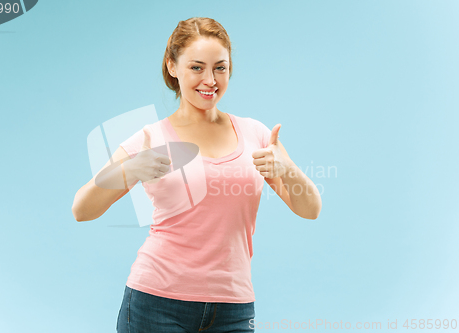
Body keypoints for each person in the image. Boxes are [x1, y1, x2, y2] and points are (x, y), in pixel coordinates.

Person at [72, 17, 322, 333]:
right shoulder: (151, 138)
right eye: (196, 67)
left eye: (220, 67)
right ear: (173, 67)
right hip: (155, 304)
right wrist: (130, 169)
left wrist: (288, 169)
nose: (210, 79)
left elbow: (310, 209)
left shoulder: (256, 135)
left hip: (233, 308)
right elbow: (82, 209)